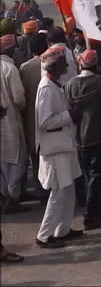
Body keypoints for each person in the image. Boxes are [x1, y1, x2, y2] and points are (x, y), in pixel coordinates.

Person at [35, 46, 84, 248]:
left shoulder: (57, 84)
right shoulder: (46, 88)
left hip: (65, 145)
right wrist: (68, 116)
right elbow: (44, 121)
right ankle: (44, 236)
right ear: (54, 66)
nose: (67, 65)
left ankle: (62, 230)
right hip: (55, 150)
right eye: (63, 62)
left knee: (69, 190)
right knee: (58, 194)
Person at [65, 49, 101, 230]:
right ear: (96, 65)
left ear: (81, 64)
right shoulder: (100, 83)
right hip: (97, 135)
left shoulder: (69, 85)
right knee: (96, 177)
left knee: (88, 176)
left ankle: (97, 212)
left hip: (79, 137)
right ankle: (91, 215)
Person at [19, 34, 48, 200]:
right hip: (51, 117)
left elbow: (22, 96)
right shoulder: (52, 63)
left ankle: (41, 189)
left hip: (32, 118)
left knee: (36, 157)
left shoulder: (25, 67)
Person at [1, 34, 27, 214]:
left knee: (3, 161)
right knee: (17, 159)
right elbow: (19, 99)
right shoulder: (10, 69)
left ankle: (5, 195)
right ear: (10, 49)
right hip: (10, 119)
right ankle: (12, 197)